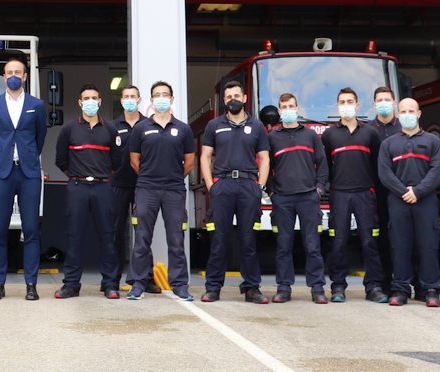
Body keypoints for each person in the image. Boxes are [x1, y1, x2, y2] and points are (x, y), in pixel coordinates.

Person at [201, 81, 271, 304]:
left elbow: (265, 158)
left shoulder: (257, 126)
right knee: (219, 240)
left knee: (248, 240)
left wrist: (259, 186)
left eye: (236, 95)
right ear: (224, 101)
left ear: (244, 97)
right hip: (222, 186)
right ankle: (213, 288)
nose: (233, 99)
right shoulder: (214, 125)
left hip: (248, 186)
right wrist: (212, 186)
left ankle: (252, 288)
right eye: (229, 96)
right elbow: (205, 157)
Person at [0, 58, 47, 301]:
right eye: (9, 72)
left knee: (31, 229)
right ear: (4, 76)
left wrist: (28, 155)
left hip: (29, 173)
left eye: (17, 72)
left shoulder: (37, 105)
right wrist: (4, 155)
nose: (13, 75)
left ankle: (31, 284)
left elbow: (40, 137)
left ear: (25, 76)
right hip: (2, 173)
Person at [125, 81, 195, 301]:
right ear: (151, 100)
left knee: (176, 238)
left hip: (174, 190)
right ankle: (138, 283)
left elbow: (190, 161)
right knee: (142, 238)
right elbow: (134, 160)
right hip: (146, 188)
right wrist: (150, 177)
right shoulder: (141, 128)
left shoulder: (183, 128)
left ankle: (180, 284)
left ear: (172, 99)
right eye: (157, 95)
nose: (161, 98)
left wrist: (173, 177)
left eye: (165, 94)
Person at [378, 98, 440, 307]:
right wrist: (403, 192)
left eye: (411, 111)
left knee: (428, 245)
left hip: (425, 201)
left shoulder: (433, 141)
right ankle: (400, 289)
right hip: (398, 201)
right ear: (398, 115)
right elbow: (384, 173)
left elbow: (438, 171)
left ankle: (431, 289)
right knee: (400, 246)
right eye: (403, 111)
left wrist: (418, 191)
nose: (407, 114)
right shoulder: (388, 144)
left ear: (419, 114)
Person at [55, 84, 120, 299]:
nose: (90, 101)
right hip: (77, 187)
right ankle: (71, 284)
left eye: (94, 97)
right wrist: (77, 177)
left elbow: (117, 161)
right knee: (74, 236)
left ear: (100, 102)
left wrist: (101, 176)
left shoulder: (110, 129)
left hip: (103, 187)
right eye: (86, 98)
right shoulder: (69, 129)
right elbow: (61, 160)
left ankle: (110, 284)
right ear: (80, 103)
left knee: (107, 236)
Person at [320, 87, 385, 303]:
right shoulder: (329, 135)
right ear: (337, 106)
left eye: (350, 101)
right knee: (339, 242)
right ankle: (338, 286)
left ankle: (374, 286)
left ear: (357, 105)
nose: (346, 105)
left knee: (369, 241)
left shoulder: (370, 133)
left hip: (365, 193)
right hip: (339, 194)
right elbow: (324, 166)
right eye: (342, 101)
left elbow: (377, 165)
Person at [267, 93, 329, 304]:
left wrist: (318, 189)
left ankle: (317, 288)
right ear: (279, 110)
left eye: (291, 106)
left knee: (312, 244)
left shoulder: (310, 135)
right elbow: (266, 167)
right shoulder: (272, 137)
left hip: (307, 197)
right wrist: (271, 192)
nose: (288, 110)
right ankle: (283, 287)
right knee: (284, 245)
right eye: (284, 107)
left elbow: (322, 164)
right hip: (282, 198)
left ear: (298, 108)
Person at [110, 85, 159, 295]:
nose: (129, 99)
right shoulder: (112, 127)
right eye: (126, 97)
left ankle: (146, 278)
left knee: (143, 234)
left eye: (133, 96)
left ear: (140, 100)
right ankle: (112, 279)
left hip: (143, 186)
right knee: (115, 233)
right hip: (118, 186)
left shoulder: (149, 125)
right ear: (121, 101)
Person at [368, 86, 403, 299]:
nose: (383, 102)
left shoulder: (405, 127)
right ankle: (384, 282)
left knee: (404, 237)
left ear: (394, 102)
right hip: (378, 191)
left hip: (403, 191)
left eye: (387, 99)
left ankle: (409, 280)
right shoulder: (369, 130)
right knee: (381, 236)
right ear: (374, 105)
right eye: (379, 99)